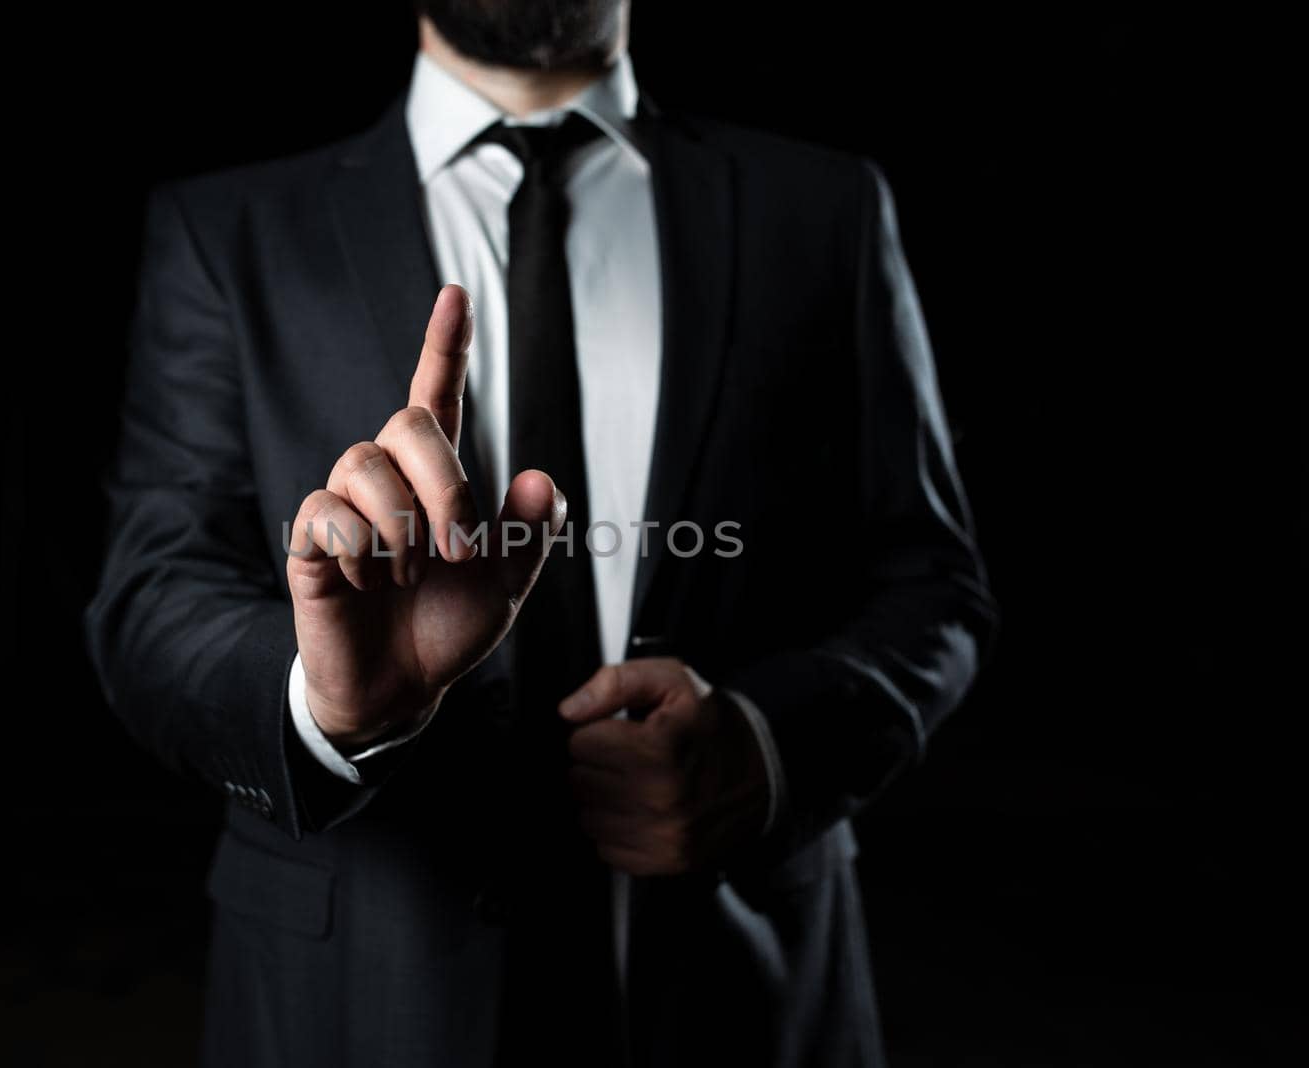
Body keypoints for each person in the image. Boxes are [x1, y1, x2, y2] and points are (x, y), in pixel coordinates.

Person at [85, 2, 997, 1064]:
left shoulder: (824, 207)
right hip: (356, 1000)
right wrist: (325, 705)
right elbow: (153, 596)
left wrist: (771, 747)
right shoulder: (230, 229)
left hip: (737, 994)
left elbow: (933, 580)